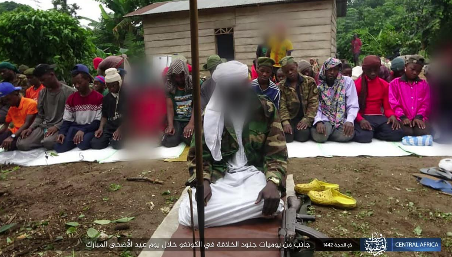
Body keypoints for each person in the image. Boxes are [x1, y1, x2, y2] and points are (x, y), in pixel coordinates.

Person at [178, 61, 287, 228]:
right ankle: (247, 211)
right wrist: (204, 181)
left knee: (272, 203)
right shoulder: (210, 114)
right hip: (221, 176)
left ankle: (239, 210)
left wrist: (273, 183)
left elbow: (276, 152)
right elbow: (198, 155)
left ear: (246, 84)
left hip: (255, 172)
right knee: (191, 215)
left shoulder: (266, 109)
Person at [17, 65, 76, 151]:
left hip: (61, 126)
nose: (42, 83)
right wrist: (30, 128)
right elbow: (40, 116)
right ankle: (43, 139)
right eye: (40, 80)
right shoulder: (42, 93)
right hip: (44, 126)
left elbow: (72, 116)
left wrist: (56, 127)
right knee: (22, 144)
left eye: (43, 80)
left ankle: (48, 139)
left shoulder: (70, 92)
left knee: (49, 143)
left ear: (52, 74)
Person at [354, 55, 404, 143]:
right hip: (363, 118)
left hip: (379, 118)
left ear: (379, 69)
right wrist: (361, 120)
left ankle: (373, 132)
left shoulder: (384, 85)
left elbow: (387, 108)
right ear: (364, 70)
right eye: (370, 70)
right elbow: (353, 107)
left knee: (398, 133)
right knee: (364, 137)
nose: (373, 73)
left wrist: (392, 116)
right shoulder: (357, 84)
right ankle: (372, 132)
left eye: (375, 70)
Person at [54, 64, 103, 153]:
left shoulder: (99, 98)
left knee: (83, 144)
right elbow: (67, 120)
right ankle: (75, 139)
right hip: (75, 127)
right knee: (59, 147)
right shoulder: (71, 98)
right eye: (74, 84)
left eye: (79, 83)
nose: (76, 86)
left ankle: (77, 139)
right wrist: (62, 133)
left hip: (90, 127)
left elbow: (97, 122)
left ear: (88, 79)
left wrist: (83, 130)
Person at [311, 58, 359, 143]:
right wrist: (318, 121)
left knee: (348, 135)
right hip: (324, 118)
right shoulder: (319, 86)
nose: (332, 72)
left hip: (340, 119)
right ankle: (324, 131)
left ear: (339, 70)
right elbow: (315, 106)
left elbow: (352, 104)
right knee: (320, 138)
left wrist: (349, 121)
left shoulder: (347, 82)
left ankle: (328, 133)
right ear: (324, 70)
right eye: (329, 69)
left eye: (335, 69)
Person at [278, 56, 319, 143]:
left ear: (296, 66)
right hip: (290, 118)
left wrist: (307, 119)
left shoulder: (309, 82)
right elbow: (282, 105)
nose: (290, 72)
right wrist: (285, 122)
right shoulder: (281, 86)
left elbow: (313, 102)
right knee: (287, 137)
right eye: (286, 71)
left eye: (292, 69)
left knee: (302, 136)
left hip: (304, 116)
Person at [389, 55, 430, 136]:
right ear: (405, 66)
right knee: (407, 132)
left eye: (418, 71)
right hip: (401, 117)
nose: (415, 72)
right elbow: (393, 102)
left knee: (420, 131)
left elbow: (426, 103)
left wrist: (419, 117)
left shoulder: (424, 84)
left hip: (419, 117)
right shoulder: (395, 83)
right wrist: (402, 117)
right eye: (412, 69)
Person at [162, 60, 194, 147]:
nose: (179, 79)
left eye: (181, 76)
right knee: (169, 143)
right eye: (176, 77)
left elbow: (198, 106)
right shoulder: (169, 86)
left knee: (190, 140)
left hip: (191, 119)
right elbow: (170, 108)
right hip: (178, 120)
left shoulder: (194, 83)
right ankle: (180, 133)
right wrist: (171, 125)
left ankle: (183, 135)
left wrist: (191, 124)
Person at [91, 68, 125, 150]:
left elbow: (132, 117)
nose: (112, 88)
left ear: (119, 83)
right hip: (111, 127)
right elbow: (104, 116)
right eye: (109, 86)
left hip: (124, 126)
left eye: (114, 85)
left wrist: (120, 129)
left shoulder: (127, 95)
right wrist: (101, 128)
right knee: (95, 143)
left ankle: (115, 139)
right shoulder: (106, 98)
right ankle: (112, 138)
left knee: (117, 145)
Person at [0, 82, 37, 151]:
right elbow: (6, 125)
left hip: (27, 132)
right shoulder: (11, 108)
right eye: (5, 101)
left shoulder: (30, 103)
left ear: (16, 94)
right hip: (15, 132)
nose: (7, 103)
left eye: (8, 100)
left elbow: (27, 124)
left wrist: (12, 137)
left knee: (18, 145)